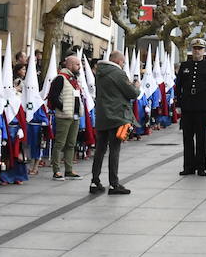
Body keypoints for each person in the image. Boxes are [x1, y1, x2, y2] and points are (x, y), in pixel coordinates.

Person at [90, 51, 138, 195]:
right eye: (123, 63)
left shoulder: (100, 72)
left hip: (102, 116)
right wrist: (137, 86)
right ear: (118, 61)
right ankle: (114, 184)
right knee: (114, 150)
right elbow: (132, 93)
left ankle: (95, 181)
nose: (123, 65)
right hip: (117, 116)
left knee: (100, 149)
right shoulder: (118, 73)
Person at [175, 38, 206, 176]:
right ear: (191, 50)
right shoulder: (185, 65)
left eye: (199, 49)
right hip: (187, 107)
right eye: (195, 48)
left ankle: (201, 167)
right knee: (187, 138)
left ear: (204, 51)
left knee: (201, 138)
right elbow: (178, 86)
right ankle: (188, 166)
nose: (197, 51)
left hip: (202, 107)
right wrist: (178, 104)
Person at [47, 55, 83, 180]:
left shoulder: (74, 80)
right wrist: (63, 107)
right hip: (64, 116)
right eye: (77, 64)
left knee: (71, 144)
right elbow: (53, 97)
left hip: (75, 116)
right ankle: (56, 170)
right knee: (60, 143)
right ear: (69, 65)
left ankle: (69, 169)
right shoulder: (60, 79)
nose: (79, 67)